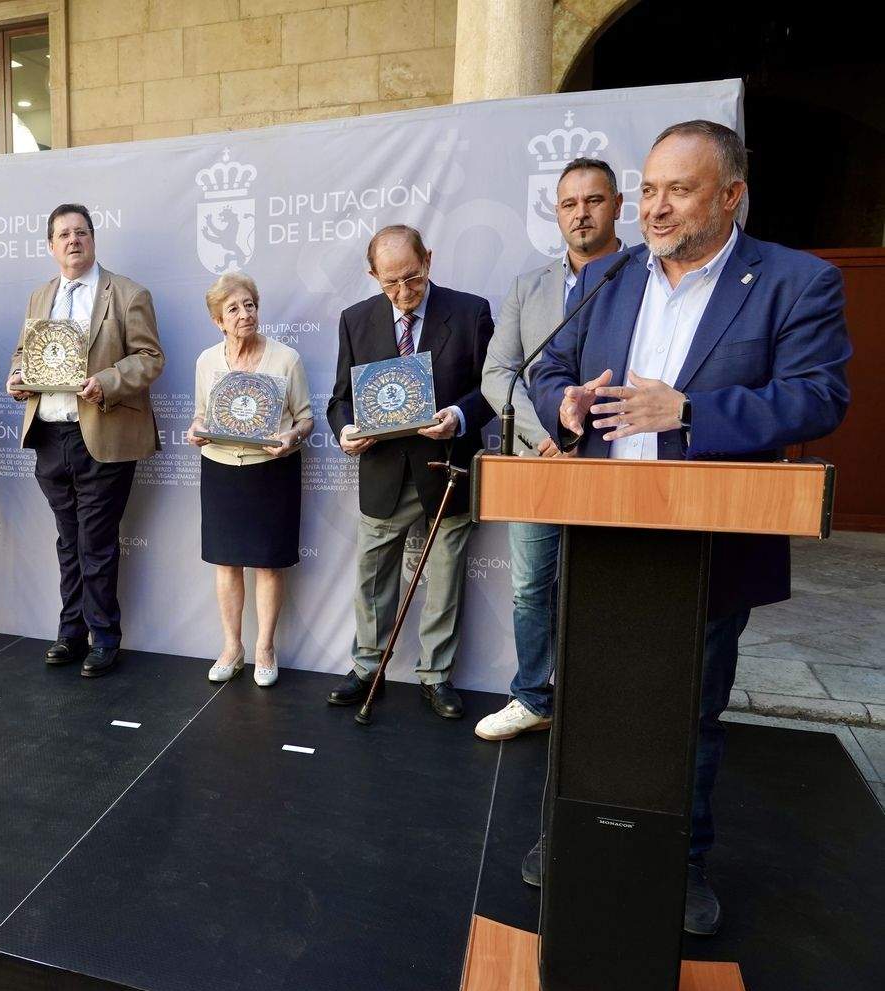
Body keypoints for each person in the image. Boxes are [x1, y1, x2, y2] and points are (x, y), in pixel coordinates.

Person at [530, 120, 850, 934]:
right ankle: (568, 835)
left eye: (679, 190)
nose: (655, 208)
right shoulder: (611, 276)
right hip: (602, 529)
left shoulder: (794, 280)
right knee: (591, 698)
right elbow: (553, 368)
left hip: (708, 540)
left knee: (687, 709)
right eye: (648, 190)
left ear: (731, 195)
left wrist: (691, 410)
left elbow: (818, 397)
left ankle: (684, 864)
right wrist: (563, 409)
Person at [475, 157, 625, 740]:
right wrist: (544, 438)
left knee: (608, 582)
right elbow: (498, 373)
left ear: (617, 205)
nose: (581, 213)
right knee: (532, 584)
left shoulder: (645, 278)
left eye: (593, 201)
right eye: (569, 204)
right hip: (538, 459)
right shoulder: (527, 286)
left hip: (617, 459)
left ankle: (602, 700)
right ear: (556, 213)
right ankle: (533, 696)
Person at [325, 224, 494, 720]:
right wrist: (345, 431)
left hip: (446, 470)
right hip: (382, 472)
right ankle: (366, 666)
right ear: (372, 275)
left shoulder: (470, 312)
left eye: (413, 279)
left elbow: (491, 389)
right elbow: (340, 398)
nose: (403, 294)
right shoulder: (355, 320)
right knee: (373, 576)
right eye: (390, 283)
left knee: (443, 577)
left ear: (430, 260)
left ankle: (436, 676)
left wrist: (459, 418)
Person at [7, 203, 164, 678]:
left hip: (103, 433)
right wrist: (18, 376)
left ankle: (104, 637)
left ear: (93, 239)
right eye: (63, 235)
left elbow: (150, 358)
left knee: (95, 541)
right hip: (49, 436)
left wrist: (107, 382)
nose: (73, 240)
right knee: (68, 540)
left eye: (81, 232)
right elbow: (22, 352)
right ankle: (71, 632)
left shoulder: (128, 293)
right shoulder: (40, 297)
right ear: (51, 246)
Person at [185, 273, 312, 687]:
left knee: (268, 564)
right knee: (225, 562)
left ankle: (265, 649)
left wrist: (290, 436)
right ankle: (232, 648)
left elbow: (306, 418)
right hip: (220, 468)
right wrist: (196, 428)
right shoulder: (206, 361)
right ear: (218, 320)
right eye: (234, 309)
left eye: (250, 305)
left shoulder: (286, 359)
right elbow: (202, 413)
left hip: (272, 471)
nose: (245, 314)